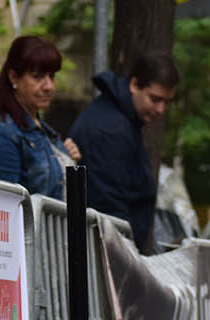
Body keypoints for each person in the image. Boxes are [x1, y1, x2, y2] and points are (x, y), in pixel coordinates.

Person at [68, 52, 179, 253]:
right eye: (155, 99)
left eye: (167, 102)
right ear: (134, 85)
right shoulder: (111, 129)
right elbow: (108, 207)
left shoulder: (120, 120)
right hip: (107, 249)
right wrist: (126, 256)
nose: (161, 110)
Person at [0, 36, 80, 200]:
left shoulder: (42, 129)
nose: (49, 86)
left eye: (52, 76)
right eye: (37, 77)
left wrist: (66, 158)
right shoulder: (2, 134)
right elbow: (5, 206)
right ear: (13, 77)